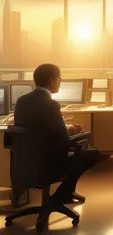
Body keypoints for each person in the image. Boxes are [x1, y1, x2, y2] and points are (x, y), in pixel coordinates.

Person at [14, 63, 99, 203]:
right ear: (51, 81)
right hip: (48, 165)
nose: (60, 82)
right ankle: (61, 196)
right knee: (92, 154)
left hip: (25, 164)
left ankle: (65, 194)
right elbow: (64, 141)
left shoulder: (22, 101)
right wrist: (73, 134)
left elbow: (37, 128)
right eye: (59, 79)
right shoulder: (51, 104)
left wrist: (68, 128)